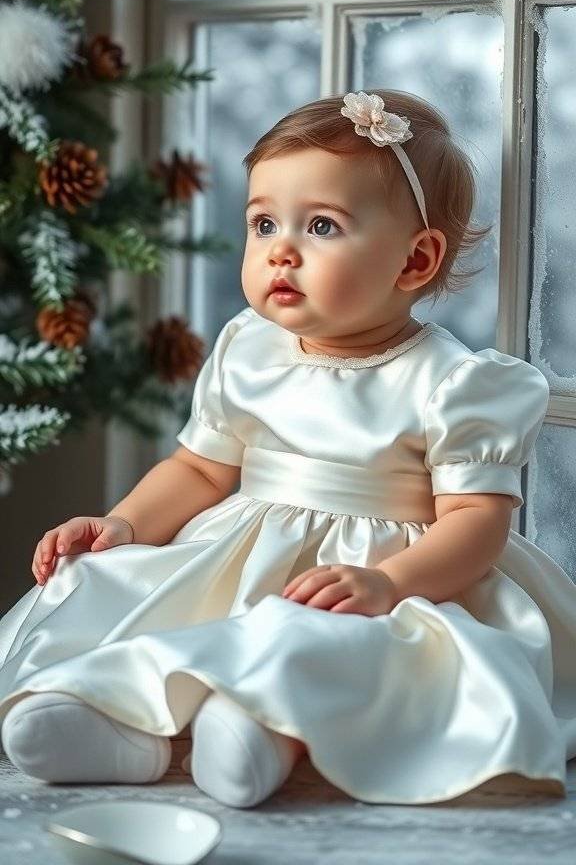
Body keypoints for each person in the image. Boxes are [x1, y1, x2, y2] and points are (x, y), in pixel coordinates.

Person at [1, 89, 575, 809]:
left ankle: (261, 734)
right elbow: (200, 468)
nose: (280, 249)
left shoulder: (456, 382)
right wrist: (123, 524)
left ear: (415, 260)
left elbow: (475, 522)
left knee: (326, 647)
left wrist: (391, 583)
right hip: (242, 552)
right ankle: (118, 723)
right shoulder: (249, 347)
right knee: (112, 587)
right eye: (264, 222)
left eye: (323, 226)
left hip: (373, 574)